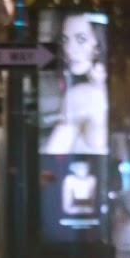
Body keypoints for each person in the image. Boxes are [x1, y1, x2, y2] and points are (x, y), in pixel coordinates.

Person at [42, 13, 108, 155]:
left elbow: (53, 153)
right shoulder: (65, 79)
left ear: (98, 44)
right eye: (65, 40)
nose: (69, 49)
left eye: (81, 39)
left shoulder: (86, 93)